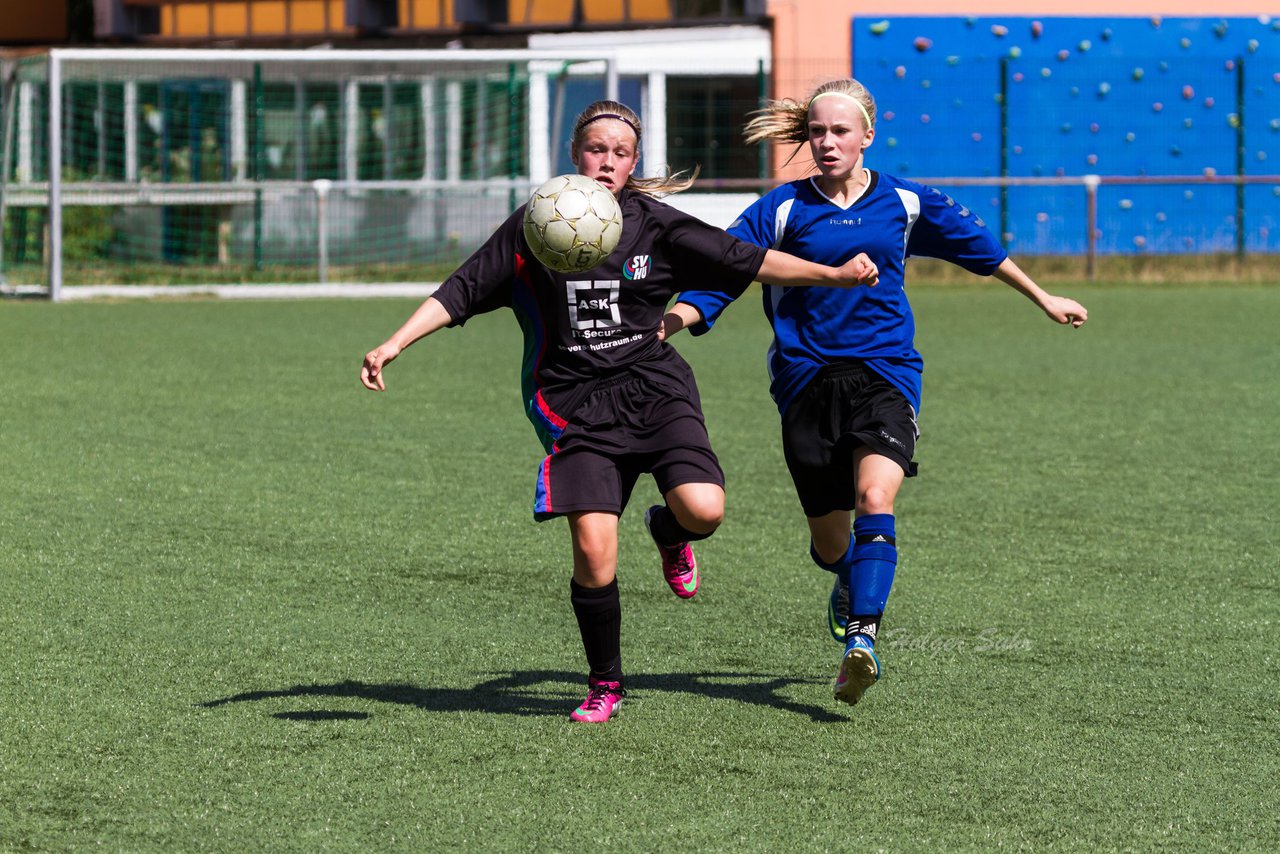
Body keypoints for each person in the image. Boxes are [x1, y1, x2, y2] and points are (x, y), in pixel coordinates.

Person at [360, 100, 879, 723]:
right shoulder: (535, 224)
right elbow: (463, 290)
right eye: (596, 149)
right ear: (576, 155)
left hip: (655, 388)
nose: (607, 162)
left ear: (634, 163)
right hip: (574, 402)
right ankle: (605, 683)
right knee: (594, 548)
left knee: (704, 510)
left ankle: (669, 532)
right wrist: (394, 342)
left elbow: (746, 261)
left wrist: (834, 274)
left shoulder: (655, 224)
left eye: (621, 153)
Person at [664, 79, 1088, 707]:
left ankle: (860, 641)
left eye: (840, 131)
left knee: (875, 495)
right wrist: (671, 322)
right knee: (833, 543)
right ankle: (845, 581)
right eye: (817, 131)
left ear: (867, 136)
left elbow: (983, 250)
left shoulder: (906, 201)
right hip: (805, 381)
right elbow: (728, 272)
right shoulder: (782, 208)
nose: (827, 142)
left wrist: (1045, 297)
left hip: (886, 372)